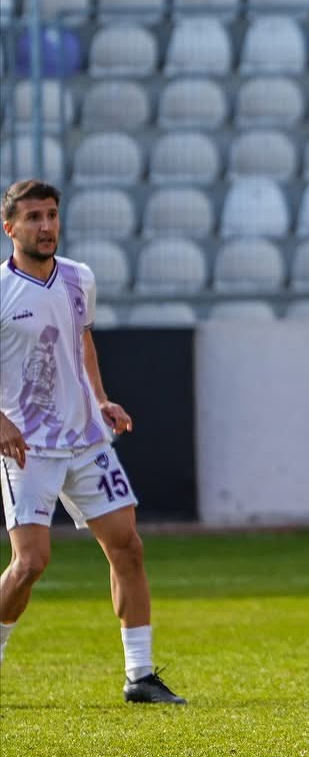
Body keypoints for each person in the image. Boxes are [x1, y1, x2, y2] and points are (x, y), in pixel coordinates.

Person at [0, 179, 184, 705]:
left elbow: (82, 342)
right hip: (26, 447)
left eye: (52, 215)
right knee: (31, 562)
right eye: (33, 217)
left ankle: (140, 675)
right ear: (9, 227)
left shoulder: (80, 278)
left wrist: (101, 399)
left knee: (127, 546)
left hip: (86, 439)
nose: (46, 226)